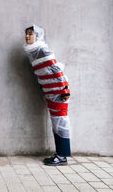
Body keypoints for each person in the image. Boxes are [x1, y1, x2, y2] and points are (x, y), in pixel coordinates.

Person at [23, 25, 71, 165]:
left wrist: (65, 89)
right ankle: (60, 154)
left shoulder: (42, 49)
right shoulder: (33, 51)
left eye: (31, 34)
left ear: (37, 36)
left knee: (60, 122)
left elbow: (56, 69)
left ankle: (62, 157)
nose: (27, 36)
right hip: (50, 92)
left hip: (58, 91)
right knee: (56, 123)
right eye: (26, 34)